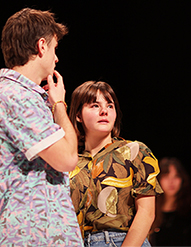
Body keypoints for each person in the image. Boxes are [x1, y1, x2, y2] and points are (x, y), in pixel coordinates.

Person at [0, 8, 84, 246]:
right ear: (41, 46)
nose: (57, 58)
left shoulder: (25, 98)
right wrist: (59, 104)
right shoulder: (15, 97)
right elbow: (67, 158)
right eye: (55, 49)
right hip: (25, 236)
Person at [68, 80, 163, 247]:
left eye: (110, 106)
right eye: (95, 106)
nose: (104, 111)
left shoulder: (134, 151)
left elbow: (146, 213)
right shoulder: (70, 161)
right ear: (78, 115)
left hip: (122, 241)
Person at [149, 157, 191, 246]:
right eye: (166, 176)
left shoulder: (187, 211)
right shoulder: (149, 211)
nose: (171, 182)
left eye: (176, 176)